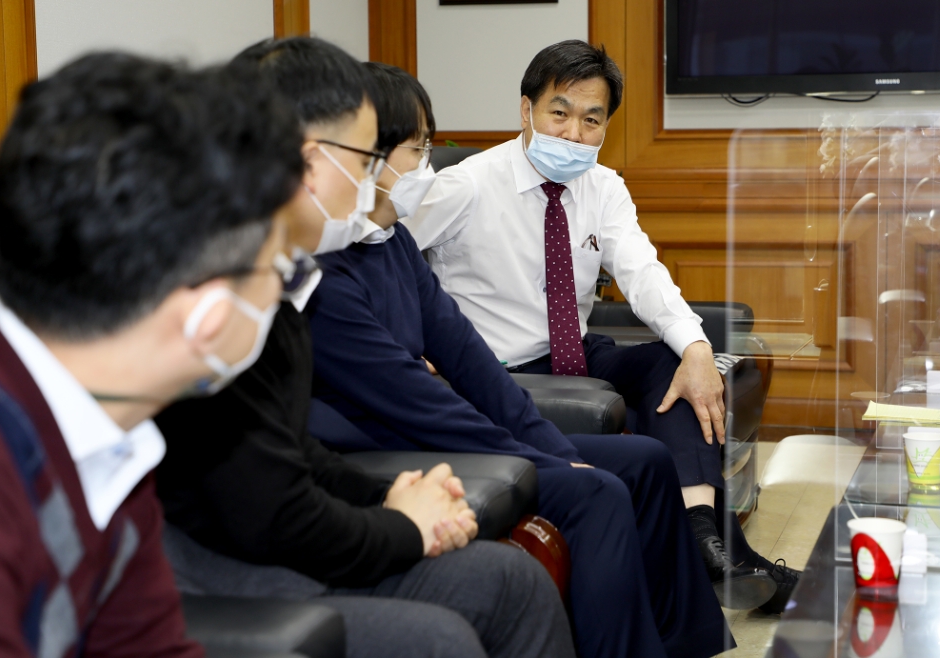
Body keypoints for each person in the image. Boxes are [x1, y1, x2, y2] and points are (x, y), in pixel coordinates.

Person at [154, 37, 575, 658]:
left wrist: (391, 498)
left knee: (511, 579)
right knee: (441, 639)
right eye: (366, 156)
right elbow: (268, 513)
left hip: (278, 532)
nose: (375, 178)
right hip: (208, 561)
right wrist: (402, 525)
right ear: (307, 163)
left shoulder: (285, 278)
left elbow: (294, 454)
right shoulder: (218, 300)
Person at [308, 61, 733, 658]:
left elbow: (464, 355)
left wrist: (553, 450)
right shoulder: (329, 267)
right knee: (599, 492)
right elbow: (418, 398)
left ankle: (687, 642)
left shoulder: (390, 240)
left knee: (645, 460)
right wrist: (542, 458)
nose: (427, 169)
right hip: (385, 443)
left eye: (592, 119)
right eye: (417, 149)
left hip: (488, 390)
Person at [403, 39, 799, 613]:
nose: (572, 134)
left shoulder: (603, 186)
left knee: (675, 364)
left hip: (577, 352)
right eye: (558, 113)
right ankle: (720, 556)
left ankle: (702, 537)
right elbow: (384, 249)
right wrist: (416, 347)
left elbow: (642, 272)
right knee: (655, 420)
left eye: (591, 121)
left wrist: (694, 346)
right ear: (526, 112)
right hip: (499, 365)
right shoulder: (467, 184)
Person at [0, 53, 302, 657]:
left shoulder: (106, 427)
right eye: (278, 268)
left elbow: (145, 645)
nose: (284, 289)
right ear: (205, 316)